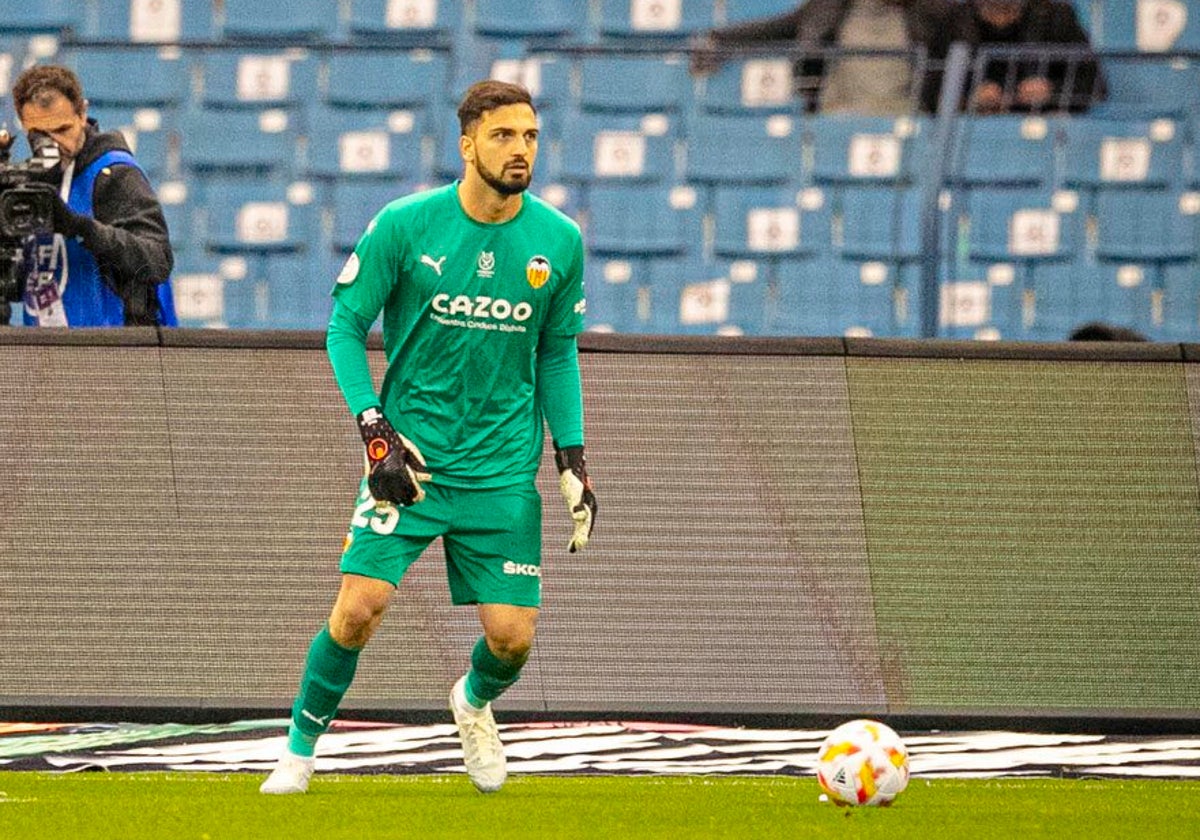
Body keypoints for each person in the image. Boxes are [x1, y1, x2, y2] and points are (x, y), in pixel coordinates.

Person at [260, 80, 597, 796]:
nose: (520, 150)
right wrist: (373, 429)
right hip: (410, 459)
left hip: (503, 468)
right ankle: (297, 751)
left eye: (531, 136)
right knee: (358, 610)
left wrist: (572, 454)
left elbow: (556, 350)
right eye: (504, 135)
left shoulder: (560, 241)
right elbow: (345, 328)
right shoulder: (406, 225)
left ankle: (472, 703)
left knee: (513, 640)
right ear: (468, 143)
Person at [8, 65, 175, 327]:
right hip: (43, 351)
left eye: (63, 130)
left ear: (82, 113)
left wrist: (80, 228)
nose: (55, 144)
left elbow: (157, 260)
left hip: (110, 350)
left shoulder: (113, 173)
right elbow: (23, 282)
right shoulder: (29, 182)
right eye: (40, 135)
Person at [689, 0, 958, 115]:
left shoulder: (932, 14)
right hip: (840, 117)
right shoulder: (829, 9)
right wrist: (720, 38)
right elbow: (781, 27)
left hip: (906, 121)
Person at [954, 0, 1105, 114]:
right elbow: (934, 90)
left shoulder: (1056, 16)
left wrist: (1051, 90)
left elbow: (1095, 85)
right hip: (974, 130)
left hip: (1042, 126)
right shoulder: (955, 20)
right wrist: (970, 99)